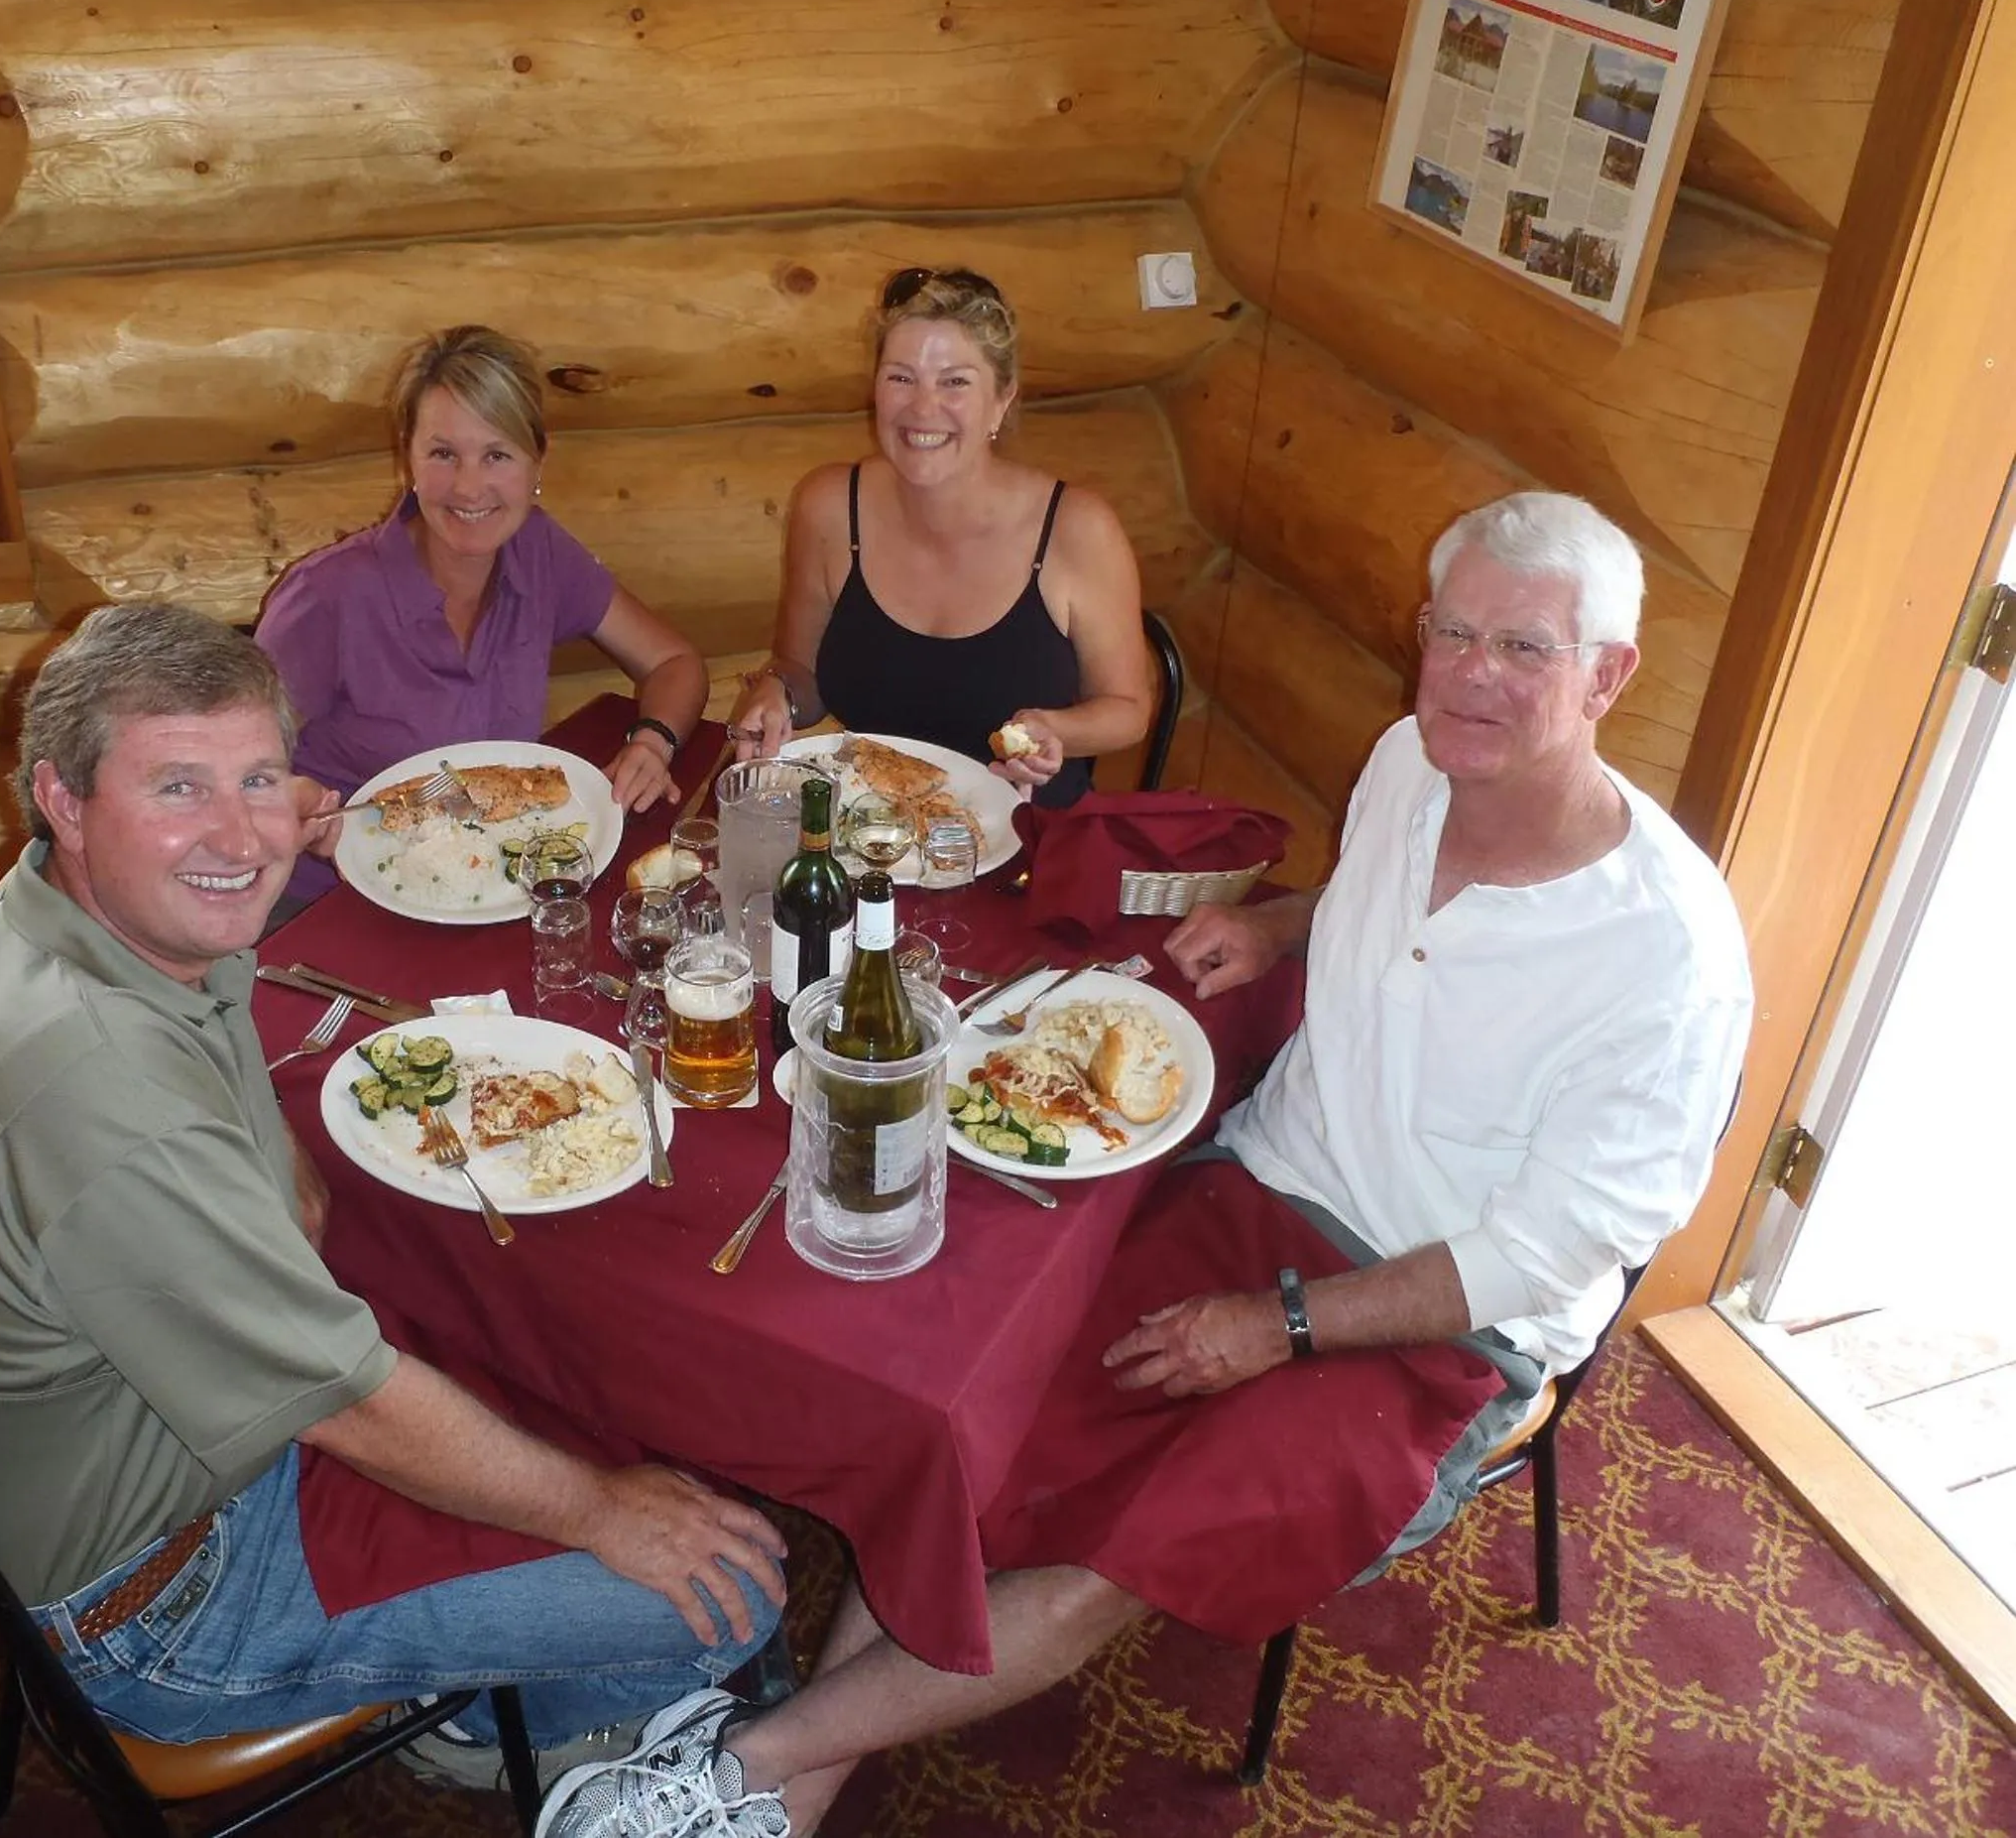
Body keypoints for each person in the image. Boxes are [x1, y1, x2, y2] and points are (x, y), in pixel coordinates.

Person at [533, 491, 1751, 1837]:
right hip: (1260, 1182)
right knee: (977, 1404)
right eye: (1451, 630)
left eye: (1522, 647)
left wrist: (1280, 1325)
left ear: (1608, 674)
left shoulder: (1670, 958)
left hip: (1445, 1321)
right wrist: (1283, 925)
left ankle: (746, 1765)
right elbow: (1386, 904)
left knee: (1141, 1532)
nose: (1471, 673)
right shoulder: (1417, 755)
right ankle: (791, 1792)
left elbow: (1541, 1253)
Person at [0, 602, 783, 1770]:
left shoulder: (78, 903)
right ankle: (507, 1735)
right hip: (162, 1598)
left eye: (259, 778)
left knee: (605, 1387)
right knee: (728, 1588)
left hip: (153, 1445)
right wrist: (600, 1513)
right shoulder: (99, 1096)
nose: (242, 835)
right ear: (63, 798)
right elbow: (346, 1401)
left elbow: (299, 1214)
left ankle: (497, 1676)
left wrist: (226, 826)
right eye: (175, 788)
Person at [257, 323, 709, 906]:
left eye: (496, 454)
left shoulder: (539, 552)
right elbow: (231, 776)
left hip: (482, 889)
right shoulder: (326, 597)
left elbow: (675, 661)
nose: (470, 487)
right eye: (444, 454)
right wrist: (289, 799)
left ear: (536, 462)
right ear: (408, 459)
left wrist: (653, 743)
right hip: (327, 913)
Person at [725, 266, 1150, 805]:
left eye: (955, 382)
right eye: (901, 377)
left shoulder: (1078, 528)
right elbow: (799, 671)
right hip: (875, 836)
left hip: (1030, 842)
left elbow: (1128, 708)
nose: (923, 408)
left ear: (1002, 399)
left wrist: (1059, 730)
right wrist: (775, 693)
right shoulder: (829, 507)